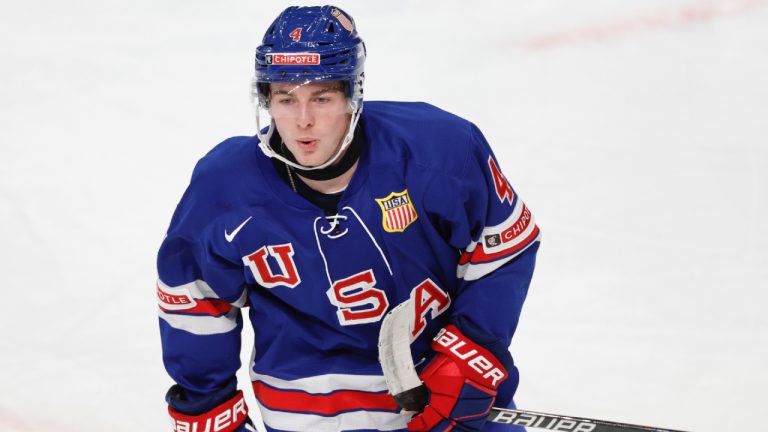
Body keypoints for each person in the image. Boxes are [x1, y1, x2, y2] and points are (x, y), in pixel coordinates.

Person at [157, 5, 540, 432]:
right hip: (308, 416)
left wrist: (471, 352)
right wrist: (208, 411)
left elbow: (504, 244)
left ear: (351, 95)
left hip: (448, 402)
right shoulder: (224, 188)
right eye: (286, 98)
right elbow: (193, 298)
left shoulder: (438, 151)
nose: (303, 120)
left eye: (321, 97)